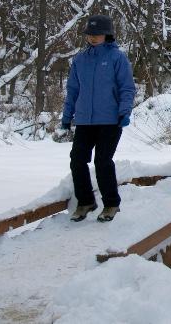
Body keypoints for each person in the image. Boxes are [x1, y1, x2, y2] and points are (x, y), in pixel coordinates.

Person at [60, 13, 135, 223]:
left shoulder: (116, 58)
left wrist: (124, 111)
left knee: (103, 161)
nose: (93, 37)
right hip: (84, 120)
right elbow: (73, 90)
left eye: (98, 34)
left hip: (110, 120)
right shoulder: (80, 60)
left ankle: (111, 204)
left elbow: (127, 88)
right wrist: (67, 116)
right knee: (77, 160)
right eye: (90, 34)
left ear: (107, 35)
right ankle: (85, 202)